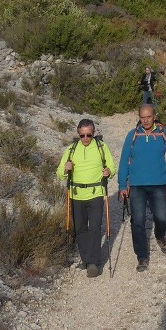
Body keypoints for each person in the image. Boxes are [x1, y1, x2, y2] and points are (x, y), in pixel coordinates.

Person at [118, 104, 166, 272]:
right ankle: (142, 257)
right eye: (142, 117)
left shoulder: (162, 134)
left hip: (159, 184)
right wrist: (122, 184)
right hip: (137, 186)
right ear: (139, 117)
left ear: (154, 116)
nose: (145, 120)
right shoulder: (132, 136)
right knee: (137, 221)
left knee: (161, 217)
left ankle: (160, 236)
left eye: (148, 116)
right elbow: (124, 160)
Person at [56, 118, 116, 278]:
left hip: (96, 193)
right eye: (82, 135)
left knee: (95, 227)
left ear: (94, 133)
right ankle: (85, 258)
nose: (86, 139)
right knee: (80, 228)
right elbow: (59, 173)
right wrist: (65, 168)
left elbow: (112, 166)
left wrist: (108, 172)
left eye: (89, 135)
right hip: (76, 195)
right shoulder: (71, 150)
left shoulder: (102, 147)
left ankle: (93, 263)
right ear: (78, 133)